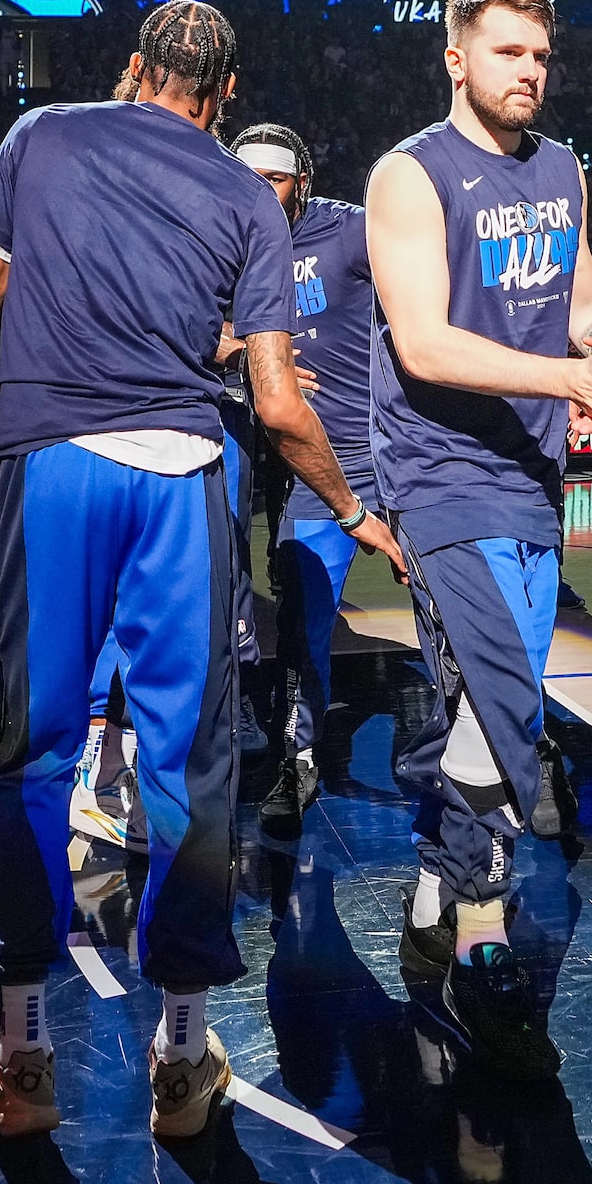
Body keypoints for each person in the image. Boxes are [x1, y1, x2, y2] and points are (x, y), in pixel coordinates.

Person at [0, 0, 402, 1143]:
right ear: (224, 96)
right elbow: (280, 402)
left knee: (30, 749)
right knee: (192, 770)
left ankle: (23, 1058)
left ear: (132, 69)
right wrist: (351, 504)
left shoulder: (39, 137)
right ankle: (184, 1058)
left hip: (52, 469)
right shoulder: (250, 199)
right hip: (182, 478)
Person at [367, 0, 592, 1084]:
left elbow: (585, 306)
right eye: (505, 53)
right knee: (504, 712)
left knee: (482, 718)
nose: (527, 73)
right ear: (456, 59)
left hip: (530, 479)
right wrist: (568, 381)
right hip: (442, 478)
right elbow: (426, 346)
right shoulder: (408, 176)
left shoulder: (561, 171)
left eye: (539, 55)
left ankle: (426, 889)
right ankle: (479, 939)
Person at [226, 121, 372, 841]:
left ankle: (492, 748)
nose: (259, 190)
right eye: (247, 176)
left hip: (400, 458)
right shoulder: (221, 245)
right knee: (304, 625)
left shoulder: (351, 232)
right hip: (311, 469)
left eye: (274, 178)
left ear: (300, 182)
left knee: (456, 621)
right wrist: (245, 361)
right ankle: (301, 753)